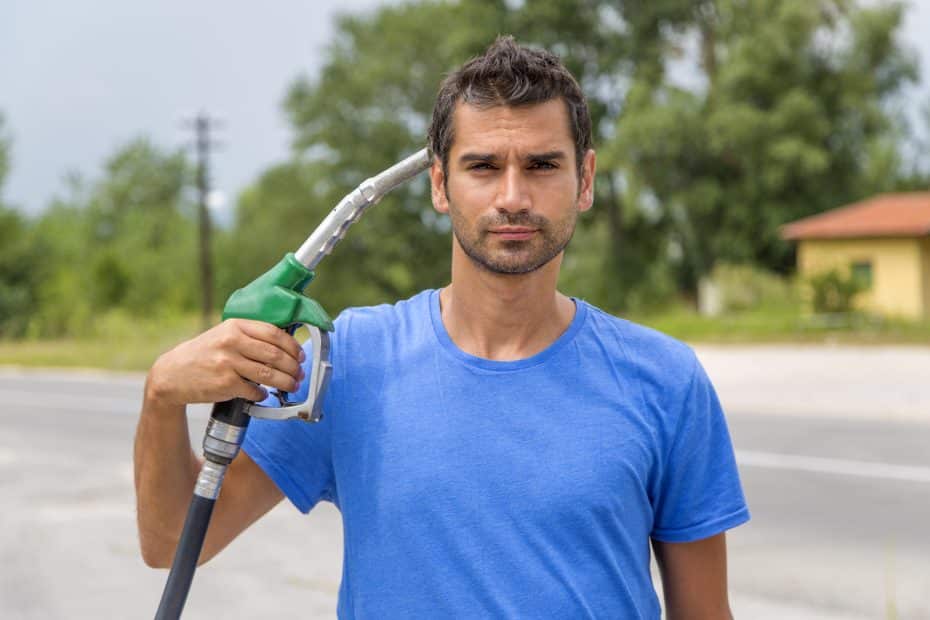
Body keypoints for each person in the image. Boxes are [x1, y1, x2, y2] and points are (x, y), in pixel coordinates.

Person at [135, 36, 749, 619]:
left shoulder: (665, 380)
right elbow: (171, 542)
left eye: (541, 165)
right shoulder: (348, 365)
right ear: (439, 183)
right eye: (483, 165)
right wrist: (162, 394)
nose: (513, 196)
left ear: (584, 180)